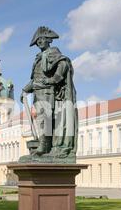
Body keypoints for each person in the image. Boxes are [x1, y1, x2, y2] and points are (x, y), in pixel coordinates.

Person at [20, 26, 78, 160]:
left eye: (42, 39)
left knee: (45, 120)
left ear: (48, 40)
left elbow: (63, 63)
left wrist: (54, 79)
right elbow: (35, 79)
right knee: (42, 120)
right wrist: (25, 89)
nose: (39, 42)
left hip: (48, 93)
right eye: (37, 40)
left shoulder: (53, 52)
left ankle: (43, 147)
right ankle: (44, 147)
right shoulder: (40, 57)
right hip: (38, 93)